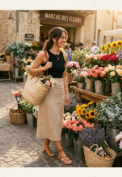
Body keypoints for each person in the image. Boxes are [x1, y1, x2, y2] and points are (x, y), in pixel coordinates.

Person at [29, 27, 72, 165]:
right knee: (53, 119)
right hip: (48, 91)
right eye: (62, 38)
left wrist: (66, 93)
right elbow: (31, 71)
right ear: (54, 39)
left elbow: (65, 75)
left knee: (57, 120)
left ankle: (46, 145)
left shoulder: (65, 55)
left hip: (59, 91)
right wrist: (44, 67)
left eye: (65, 38)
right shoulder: (44, 55)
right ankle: (61, 153)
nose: (64, 41)